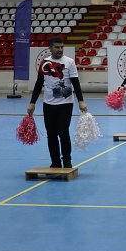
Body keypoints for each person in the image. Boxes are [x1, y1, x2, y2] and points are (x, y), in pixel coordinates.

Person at [27, 36, 88, 169]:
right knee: (51, 134)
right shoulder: (45, 63)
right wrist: (32, 103)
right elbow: (38, 84)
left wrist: (81, 101)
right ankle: (55, 161)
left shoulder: (70, 62)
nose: (60, 49)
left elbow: (75, 83)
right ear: (50, 48)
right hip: (48, 104)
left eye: (61, 47)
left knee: (63, 132)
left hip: (66, 104)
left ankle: (67, 160)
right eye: (57, 47)